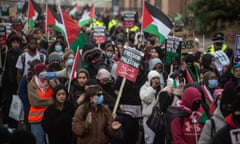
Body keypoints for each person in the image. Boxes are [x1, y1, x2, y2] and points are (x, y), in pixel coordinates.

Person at [27, 63, 53, 144]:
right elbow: (35, 102)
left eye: (45, 73)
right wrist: (52, 101)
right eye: (41, 73)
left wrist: (52, 81)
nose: (44, 75)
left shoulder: (51, 82)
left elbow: (58, 95)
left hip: (50, 119)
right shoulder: (32, 85)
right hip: (37, 120)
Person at [1, 34, 22, 128]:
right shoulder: (5, 54)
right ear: (10, 43)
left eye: (17, 42)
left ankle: (14, 125)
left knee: (15, 103)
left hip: (16, 83)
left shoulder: (22, 55)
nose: (16, 44)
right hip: (6, 82)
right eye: (14, 42)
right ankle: (5, 122)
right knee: (6, 102)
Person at [140, 70, 161, 144]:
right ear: (150, 79)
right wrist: (152, 88)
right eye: (154, 78)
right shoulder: (144, 88)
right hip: (148, 118)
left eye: (157, 78)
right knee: (149, 140)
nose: (156, 80)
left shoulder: (161, 88)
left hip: (158, 118)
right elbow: (146, 99)